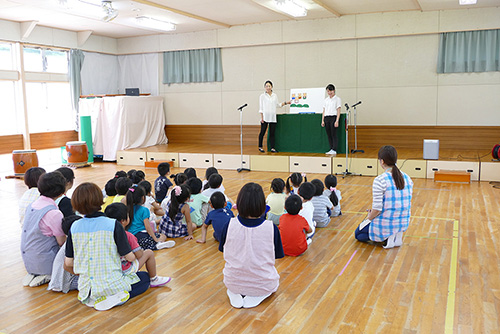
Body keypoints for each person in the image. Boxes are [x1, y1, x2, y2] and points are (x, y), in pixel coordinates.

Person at [64, 182, 150, 311]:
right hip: (111, 284)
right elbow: (130, 257)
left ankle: (97, 298)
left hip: (87, 290)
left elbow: (68, 263)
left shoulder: (74, 226)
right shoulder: (113, 224)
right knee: (145, 278)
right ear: (100, 199)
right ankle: (116, 296)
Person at [218, 182, 284, 309]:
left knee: (234, 279)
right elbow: (277, 256)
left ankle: (235, 291)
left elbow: (222, 249)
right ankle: (258, 294)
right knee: (272, 281)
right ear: (262, 206)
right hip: (263, 284)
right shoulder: (271, 228)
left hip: (232, 281)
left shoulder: (229, 225)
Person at [355, 145, 414, 249]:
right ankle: (396, 234)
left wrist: (369, 218)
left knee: (358, 234)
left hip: (385, 224)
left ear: (382, 161)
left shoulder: (380, 180)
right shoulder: (407, 178)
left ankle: (387, 238)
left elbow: (377, 209)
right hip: (403, 223)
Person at [105, 203, 171, 287]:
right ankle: (154, 279)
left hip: (112, 269)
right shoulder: (128, 235)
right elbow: (139, 255)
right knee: (149, 253)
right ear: (123, 221)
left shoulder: (105, 235)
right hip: (125, 269)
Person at [21, 171, 67, 287]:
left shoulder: (31, 206)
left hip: (28, 260)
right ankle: (48, 274)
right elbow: (61, 242)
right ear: (62, 191)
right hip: (46, 260)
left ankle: (36, 273)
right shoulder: (54, 213)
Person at [126, 185, 175, 250]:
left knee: (141, 244)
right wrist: (155, 239)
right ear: (143, 198)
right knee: (162, 236)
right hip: (142, 235)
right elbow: (148, 227)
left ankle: (152, 245)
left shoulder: (127, 209)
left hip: (131, 238)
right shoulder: (144, 210)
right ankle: (157, 244)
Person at [258, 80, 291, 153]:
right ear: (264, 87)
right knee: (262, 132)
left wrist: (286, 103)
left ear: (272, 87)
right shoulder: (262, 96)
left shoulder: (274, 95)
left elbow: (278, 105)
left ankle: (272, 148)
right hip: (265, 117)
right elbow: (261, 108)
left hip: (272, 117)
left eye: (269, 86)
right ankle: (260, 146)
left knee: (272, 133)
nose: (268, 87)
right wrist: (262, 117)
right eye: (266, 86)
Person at [321, 84, 342, 155]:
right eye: (328, 91)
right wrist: (322, 120)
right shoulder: (326, 100)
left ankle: (334, 149)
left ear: (334, 90)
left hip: (333, 117)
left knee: (334, 134)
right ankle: (331, 148)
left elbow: (338, 110)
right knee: (329, 134)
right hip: (326, 117)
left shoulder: (337, 99)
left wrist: (337, 120)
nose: (329, 92)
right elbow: (324, 110)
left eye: (330, 91)